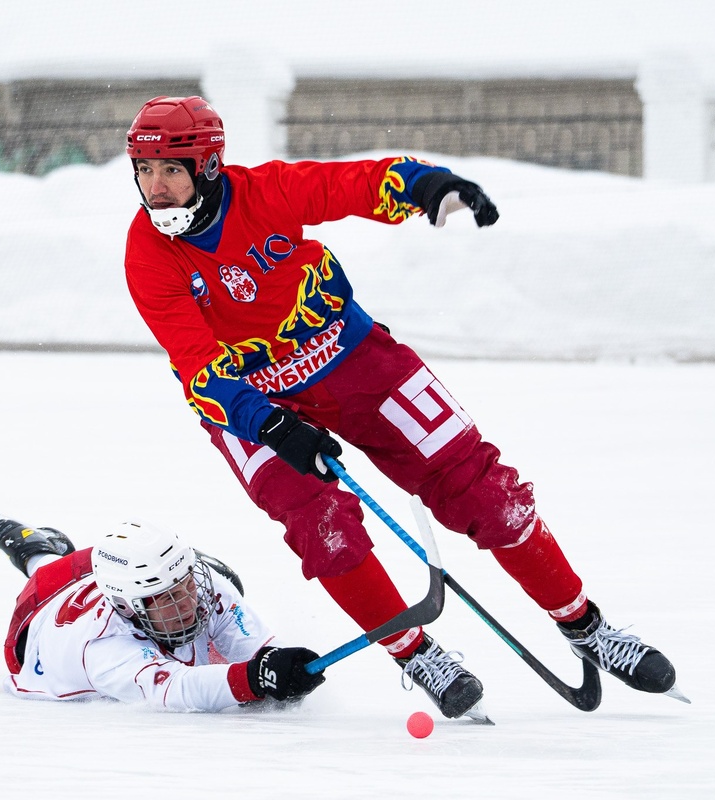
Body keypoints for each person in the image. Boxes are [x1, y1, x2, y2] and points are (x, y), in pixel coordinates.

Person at [121, 95, 679, 719]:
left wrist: (430, 186)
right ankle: (414, 652)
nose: (157, 187)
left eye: (172, 170)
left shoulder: (267, 192)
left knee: (481, 486)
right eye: (144, 171)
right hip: (248, 402)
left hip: (350, 356)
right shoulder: (147, 254)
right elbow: (198, 366)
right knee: (322, 526)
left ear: (210, 166)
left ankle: (586, 627)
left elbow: (352, 184)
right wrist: (275, 426)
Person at [0, 508, 326, 711]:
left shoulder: (192, 582)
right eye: (168, 597)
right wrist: (253, 677)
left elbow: (253, 647)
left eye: (187, 583)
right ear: (127, 607)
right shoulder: (104, 650)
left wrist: (273, 661)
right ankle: (29, 545)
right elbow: (175, 689)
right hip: (42, 605)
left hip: (109, 573)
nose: (190, 601)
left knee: (228, 581)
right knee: (44, 563)